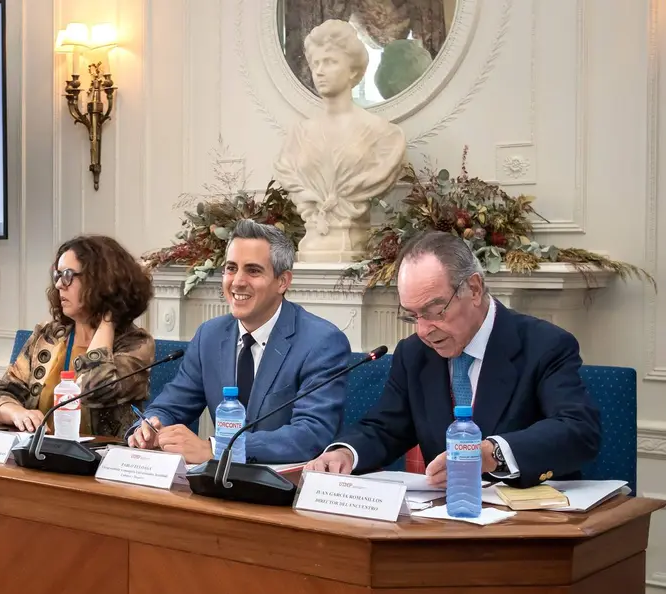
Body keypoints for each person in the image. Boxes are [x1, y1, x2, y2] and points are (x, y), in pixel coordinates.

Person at [305, 231, 602, 488]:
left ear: (473, 289)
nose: (423, 330)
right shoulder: (414, 353)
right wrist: (345, 453)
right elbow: (386, 428)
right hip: (444, 522)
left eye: (435, 311)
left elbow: (578, 430)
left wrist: (489, 454)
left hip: (530, 526)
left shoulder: (544, 345)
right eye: (412, 316)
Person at [127, 219, 351, 464]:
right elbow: (171, 406)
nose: (237, 281)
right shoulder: (209, 336)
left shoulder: (322, 342)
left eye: (253, 270)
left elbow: (309, 435)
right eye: (231, 268)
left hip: (284, 490)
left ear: (283, 281)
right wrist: (149, 426)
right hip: (215, 487)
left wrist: (218, 449)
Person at [0, 234, 154, 437]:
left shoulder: (135, 345)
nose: (58, 285)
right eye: (57, 276)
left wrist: (108, 318)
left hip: (99, 463)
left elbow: (94, 388)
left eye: (67, 275)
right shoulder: (48, 336)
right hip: (39, 457)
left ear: (102, 281)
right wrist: (17, 412)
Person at [272, 19, 406, 263]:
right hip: (312, 242)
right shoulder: (298, 136)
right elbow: (288, 173)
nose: (320, 71)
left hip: (353, 243)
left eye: (330, 62)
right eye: (316, 63)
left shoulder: (383, 135)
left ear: (353, 70)